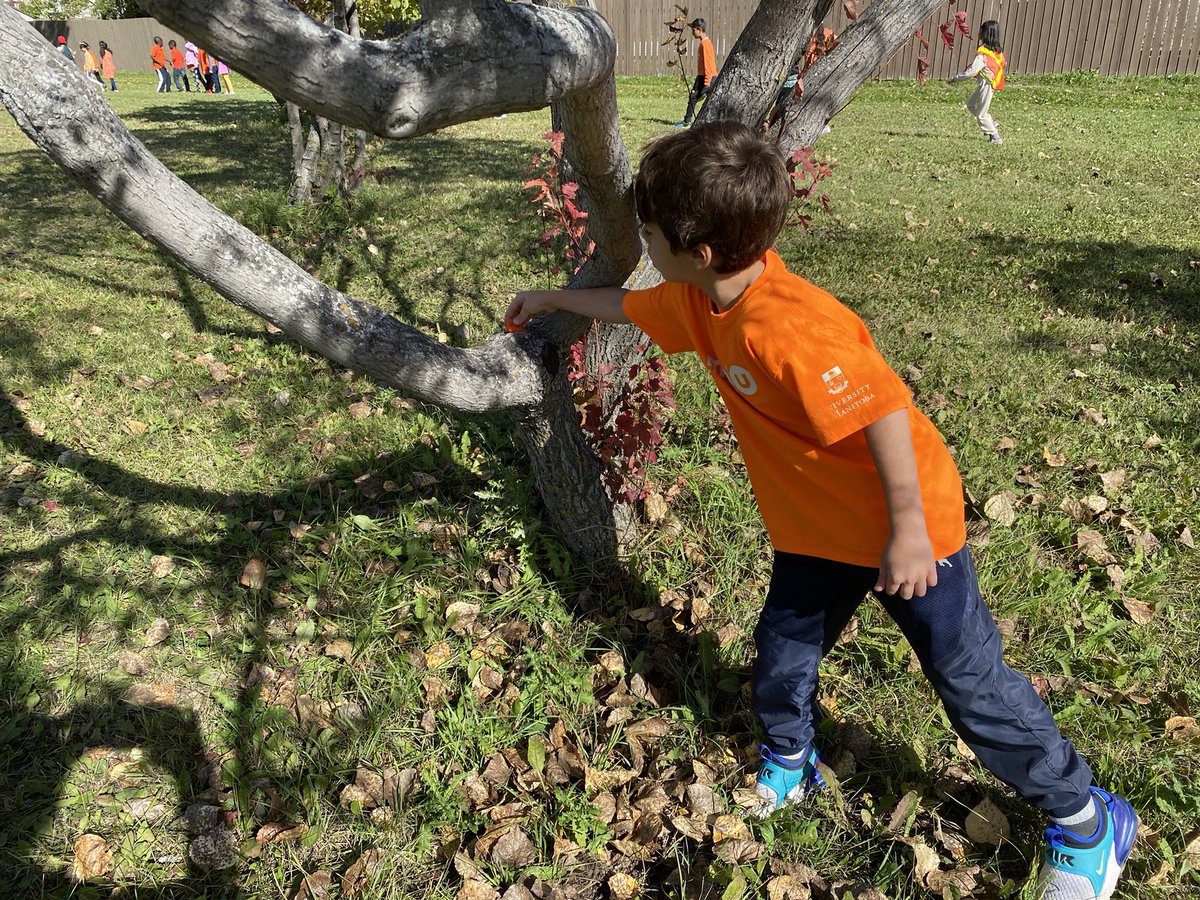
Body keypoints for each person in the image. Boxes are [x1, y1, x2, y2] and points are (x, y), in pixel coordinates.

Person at [504, 121, 1137, 900]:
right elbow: (630, 307)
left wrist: (907, 534)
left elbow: (887, 415)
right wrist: (550, 299)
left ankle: (1085, 819)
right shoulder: (701, 299)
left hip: (908, 529)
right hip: (816, 532)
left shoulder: (794, 327)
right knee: (784, 650)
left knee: (968, 683)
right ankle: (789, 760)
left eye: (648, 231)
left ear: (696, 251)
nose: (641, 240)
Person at [764, 26, 837, 134]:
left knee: (786, 102)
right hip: (801, 75)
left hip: (812, 76)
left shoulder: (826, 35)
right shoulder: (805, 34)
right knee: (784, 101)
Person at [950, 19, 1005, 143]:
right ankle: (991, 123)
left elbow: (972, 71)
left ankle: (995, 136)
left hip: (986, 84)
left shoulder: (983, 53)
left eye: (981, 29)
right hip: (987, 84)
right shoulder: (996, 51)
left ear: (985, 33)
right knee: (971, 105)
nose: (978, 32)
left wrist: (957, 78)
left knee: (981, 113)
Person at [674, 17, 716, 128]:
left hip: (705, 77)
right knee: (710, 100)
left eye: (693, 30)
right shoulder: (705, 42)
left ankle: (686, 122)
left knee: (693, 98)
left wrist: (706, 82)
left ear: (699, 29)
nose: (692, 33)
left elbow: (708, 63)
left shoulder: (705, 44)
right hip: (709, 77)